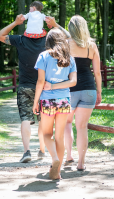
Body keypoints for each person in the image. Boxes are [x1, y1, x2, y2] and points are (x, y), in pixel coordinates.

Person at [45, 15, 102, 171]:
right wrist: (99, 91)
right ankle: (81, 163)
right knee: (82, 127)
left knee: (66, 124)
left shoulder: (65, 45)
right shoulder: (92, 46)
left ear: (70, 29)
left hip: (69, 89)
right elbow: (97, 73)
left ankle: (69, 155)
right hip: (89, 88)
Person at [0, 14, 46, 163]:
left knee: (25, 119)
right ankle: (42, 149)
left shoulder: (20, 40)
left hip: (24, 86)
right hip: (43, 87)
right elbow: (67, 38)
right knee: (43, 120)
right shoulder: (47, 40)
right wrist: (54, 25)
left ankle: (26, 152)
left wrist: (15, 22)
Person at [32, 28, 77, 179]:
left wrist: (36, 101)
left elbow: (40, 82)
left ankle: (55, 160)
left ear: (48, 41)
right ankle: (57, 173)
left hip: (48, 101)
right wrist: (57, 86)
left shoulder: (43, 56)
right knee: (59, 137)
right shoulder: (69, 58)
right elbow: (73, 82)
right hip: (64, 100)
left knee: (46, 134)